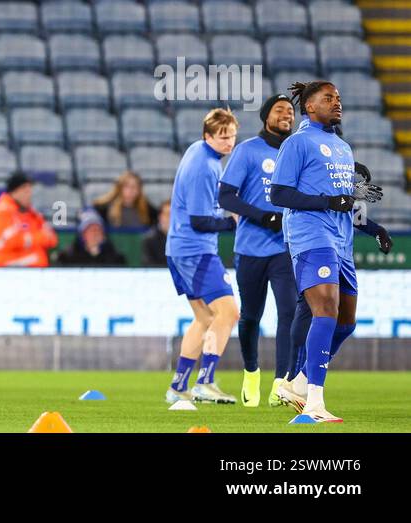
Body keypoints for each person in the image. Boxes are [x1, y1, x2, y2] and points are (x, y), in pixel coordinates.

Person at [269, 81, 383, 423]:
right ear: (309, 106)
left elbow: (344, 202)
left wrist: (374, 228)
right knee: (326, 312)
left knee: (346, 323)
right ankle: (314, 404)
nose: (337, 103)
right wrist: (327, 201)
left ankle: (298, 384)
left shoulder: (343, 147)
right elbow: (279, 194)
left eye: (338, 98)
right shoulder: (297, 143)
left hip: (342, 241)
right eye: (328, 98)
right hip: (311, 236)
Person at [217, 94, 297, 407]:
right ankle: (251, 372)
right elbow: (226, 197)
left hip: (284, 248)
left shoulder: (297, 152)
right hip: (250, 248)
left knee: (289, 312)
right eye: (280, 110)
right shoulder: (248, 150)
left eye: (291, 111)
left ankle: (281, 382)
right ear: (266, 116)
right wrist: (263, 216)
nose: (287, 114)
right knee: (251, 316)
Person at [163, 108, 241, 406]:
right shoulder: (206, 167)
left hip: (179, 250)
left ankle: (178, 386)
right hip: (195, 250)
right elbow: (199, 221)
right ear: (207, 136)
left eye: (232, 136)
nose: (229, 142)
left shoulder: (197, 150)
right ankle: (205, 383)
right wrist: (232, 222)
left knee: (205, 317)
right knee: (229, 313)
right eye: (223, 137)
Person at [0, 172, 57, 268]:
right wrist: (36, 238)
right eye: (26, 191)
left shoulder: (31, 213)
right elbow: (8, 241)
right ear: (15, 192)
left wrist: (28, 239)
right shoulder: (2, 212)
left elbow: (52, 238)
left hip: (34, 269)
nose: (29, 195)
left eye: (30, 190)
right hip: (7, 268)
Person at [55, 211, 127, 266]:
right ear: (83, 234)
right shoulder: (68, 256)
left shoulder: (115, 257)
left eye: (98, 230)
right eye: (91, 230)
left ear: (103, 235)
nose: (95, 234)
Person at [92, 171, 156, 230]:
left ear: (139, 190)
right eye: (127, 186)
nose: (131, 190)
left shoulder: (149, 211)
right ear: (119, 188)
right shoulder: (103, 208)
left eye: (135, 186)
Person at [140, 200, 171, 267]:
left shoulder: (184, 239)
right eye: (167, 214)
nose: (170, 218)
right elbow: (148, 264)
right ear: (160, 217)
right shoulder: (149, 239)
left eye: (173, 215)